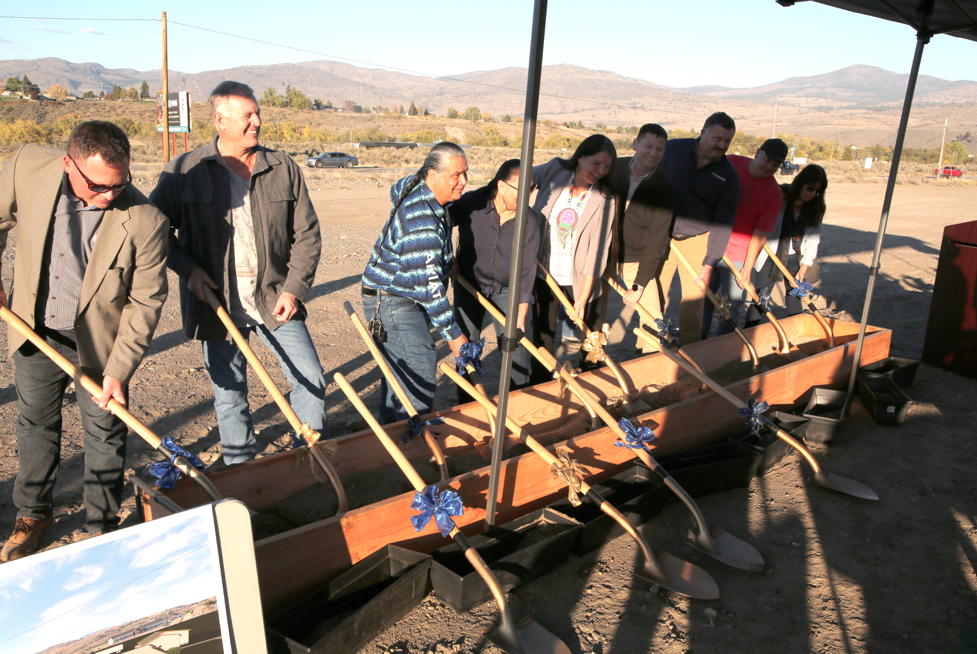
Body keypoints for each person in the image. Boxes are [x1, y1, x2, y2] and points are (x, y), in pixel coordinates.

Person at [0, 121, 169, 560]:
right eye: (99, 186)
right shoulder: (26, 168)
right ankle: (33, 514)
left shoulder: (146, 220)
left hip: (100, 343)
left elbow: (145, 302)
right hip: (34, 328)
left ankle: (101, 527)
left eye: (121, 183)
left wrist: (118, 370)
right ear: (68, 164)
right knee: (35, 423)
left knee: (105, 432)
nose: (110, 195)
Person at [150, 81, 326, 466]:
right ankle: (241, 473)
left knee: (311, 380)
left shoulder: (282, 168)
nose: (257, 122)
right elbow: (154, 232)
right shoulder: (183, 171)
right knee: (230, 395)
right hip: (218, 303)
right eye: (247, 115)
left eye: (257, 113)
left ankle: (310, 464)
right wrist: (189, 269)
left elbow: (308, 235)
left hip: (274, 297)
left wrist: (294, 289)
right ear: (220, 120)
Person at [362, 142, 470, 424]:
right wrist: (455, 337)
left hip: (399, 290)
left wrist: (445, 259)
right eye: (456, 176)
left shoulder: (416, 185)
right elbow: (431, 291)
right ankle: (411, 434)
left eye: (465, 174)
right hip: (393, 298)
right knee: (419, 364)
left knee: (401, 370)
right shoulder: (422, 219)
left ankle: (392, 435)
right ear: (432, 176)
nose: (464, 182)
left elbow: (426, 266)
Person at [450, 159, 542, 398]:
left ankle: (517, 400)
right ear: (501, 186)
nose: (526, 196)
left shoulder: (531, 221)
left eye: (530, 189)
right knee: (466, 346)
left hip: (506, 290)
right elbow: (442, 223)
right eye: (520, 190)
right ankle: (468, 403)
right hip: (468, 284)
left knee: (516, 345)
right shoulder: (472, 204)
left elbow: (528, 269)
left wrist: (521, 314)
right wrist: (448, 258)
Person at [530, 135, 617, 383]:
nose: (600, 171)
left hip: (582, 280)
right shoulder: (555, 170)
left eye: (606, 167)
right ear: (580, 157)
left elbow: (597, 252)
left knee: (592, 339)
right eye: (596, 163)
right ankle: (541, 385)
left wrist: (582, 297)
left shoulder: (605, 198)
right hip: (544, 274)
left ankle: (593, 382)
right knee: (543, 337)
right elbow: (519, 175)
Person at [658, 112, 740, 344]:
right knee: (655, 297)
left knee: (693, 304)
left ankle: (691, 353)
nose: (722, 145)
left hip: (696, 241)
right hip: (660, 236)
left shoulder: (729, 176)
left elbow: (723, 224)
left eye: (727, 141)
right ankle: (647, 351)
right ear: (703, 132)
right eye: (717, 138)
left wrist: (709, 263)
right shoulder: (671, 150)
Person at [701, 138, 787, 338]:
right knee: (703, 299)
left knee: (729, 306)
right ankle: (699, 342)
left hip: (739, 253)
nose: (770, 167)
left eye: (776, 165)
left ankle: (723, 348)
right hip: (712, 243)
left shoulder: (773, 194)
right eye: (768, 160)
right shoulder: (731, 163)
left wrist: (747, 268)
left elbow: (760, 234)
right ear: (757, 153)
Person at [604, 123, 673, 354]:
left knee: (654, 319)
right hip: (602, 255)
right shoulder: (613, 169)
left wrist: (639, 285)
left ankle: (651, 363)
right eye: (648, 146)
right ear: (635, 144)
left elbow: (657, 240)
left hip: (635, 259)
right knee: (593, 314)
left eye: (659, 149)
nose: (653, 153)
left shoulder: (665, 187)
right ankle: (589, 363)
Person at [745, 164, 828, 327]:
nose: (813, 194)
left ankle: (796, 331)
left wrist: (803, 269)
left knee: (795, 297)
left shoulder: (815, 209)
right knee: (761, 297)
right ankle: (749, 333)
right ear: (801, 182)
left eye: (817, 191)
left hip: (794, 260)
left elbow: (812, 240)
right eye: (810, 188)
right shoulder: (779, 196)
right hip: (769, 256)